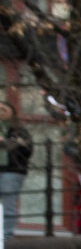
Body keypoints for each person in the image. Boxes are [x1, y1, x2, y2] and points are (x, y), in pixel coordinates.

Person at [0, 99, 30, 237]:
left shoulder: (18, 130)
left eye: (3, 110)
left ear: (12, 113)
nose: (0, 112)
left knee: (8, 204)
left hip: (12, 170)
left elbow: (23, 148)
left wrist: (4, 141)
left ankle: (7, 235)